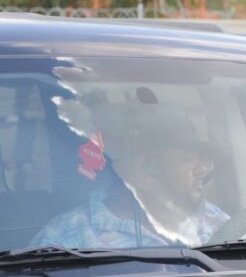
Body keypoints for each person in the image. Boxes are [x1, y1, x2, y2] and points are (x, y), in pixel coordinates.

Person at [32, 105, 229, 249]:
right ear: (145, 167)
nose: (204, 168)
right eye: (188, 159)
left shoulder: (214, 221)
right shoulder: (68, 237)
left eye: (203, 158)